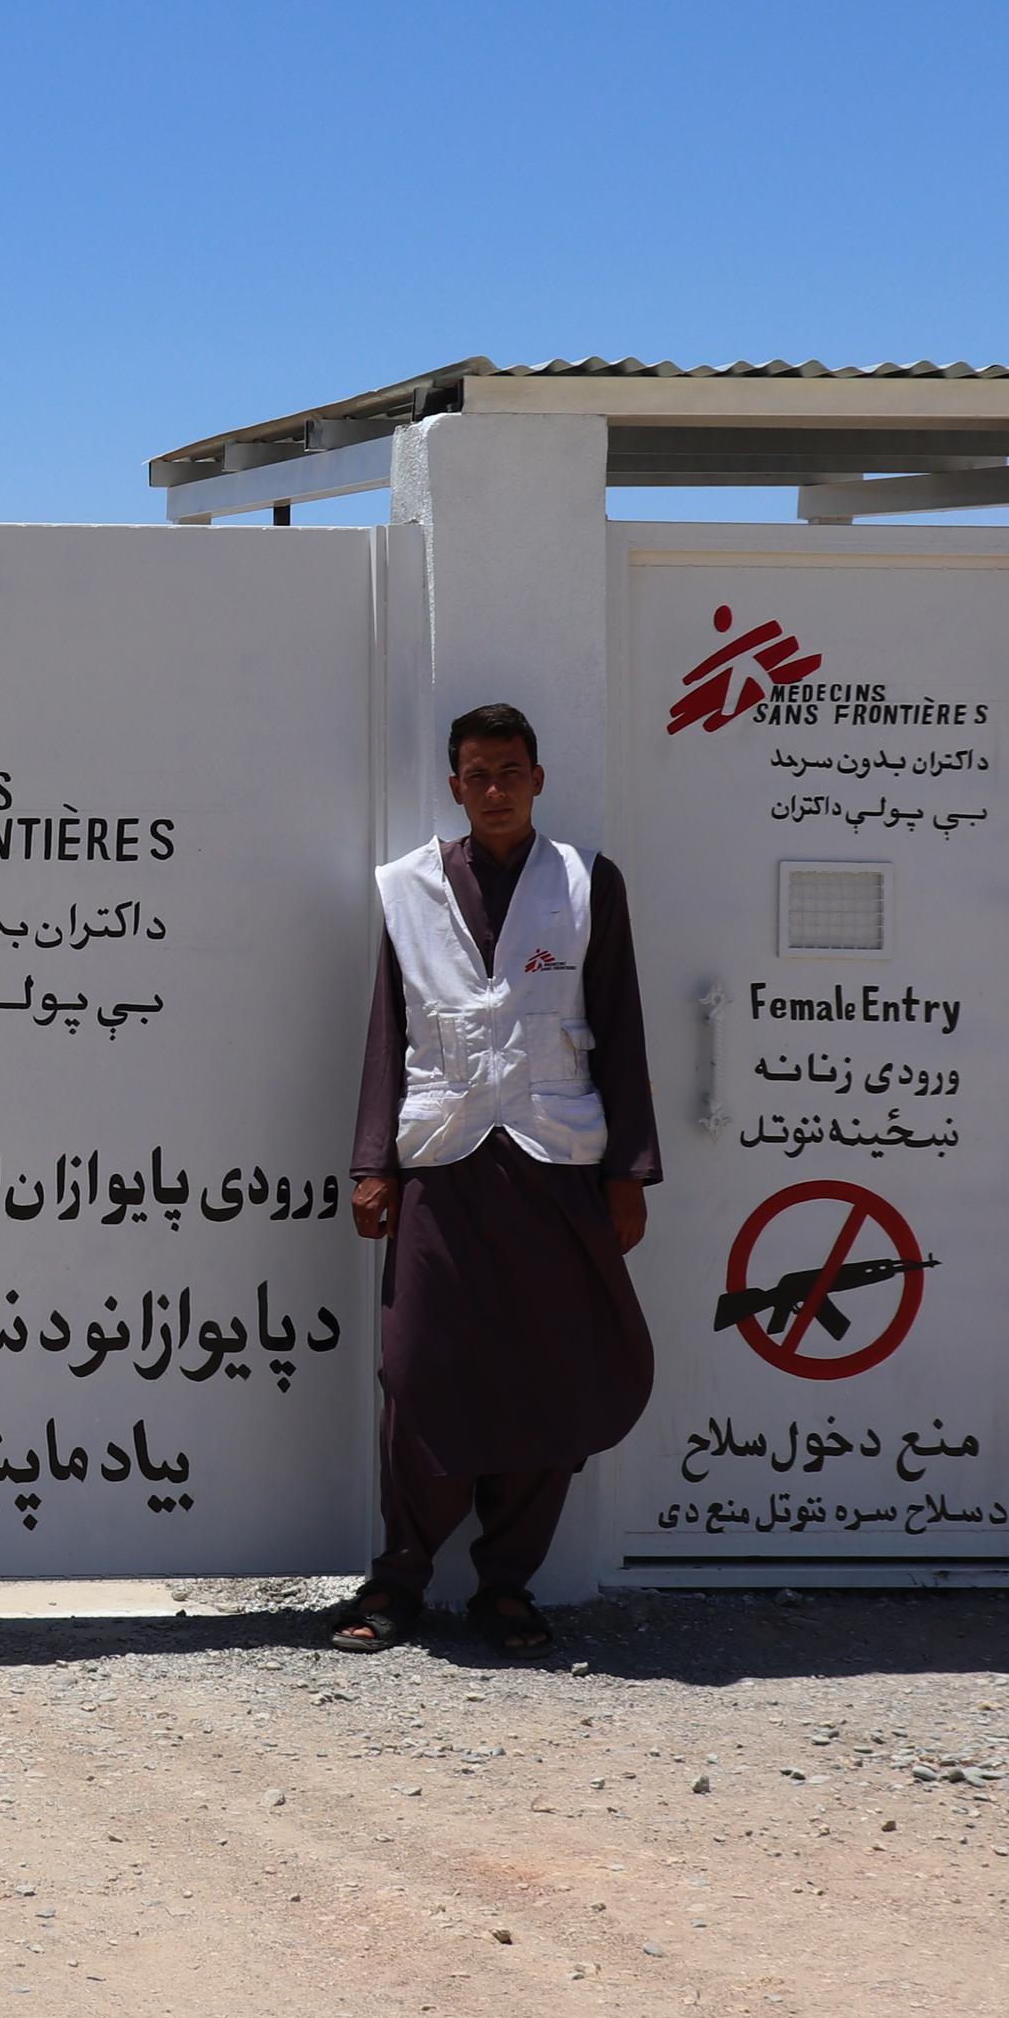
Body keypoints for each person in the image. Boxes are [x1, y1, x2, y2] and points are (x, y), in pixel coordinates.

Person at [334, 703, 657, 1660]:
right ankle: (399, 1581)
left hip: (556, 1164)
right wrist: (371, 1164)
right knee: (420, 1372)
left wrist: (631, 1172)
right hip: (442, 1168)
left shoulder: (587, 884)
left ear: (539, 778)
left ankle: (507, 1584)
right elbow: (386, 1033)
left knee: (550, 1374)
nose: (496, 790)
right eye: (477, 774)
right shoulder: (409, 889)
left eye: (511, 771)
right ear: (454, 785)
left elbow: (623, 1027)